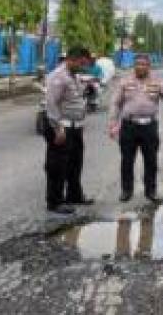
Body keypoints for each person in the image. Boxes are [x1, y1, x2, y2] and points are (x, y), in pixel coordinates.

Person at [109, 53, 163, 203]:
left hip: (149, 127)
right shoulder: (125, 81)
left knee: (151, 161)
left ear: (148, 66)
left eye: (144, 64)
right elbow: (115, 103)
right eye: (138, 64)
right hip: (128, 126)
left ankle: (150, 191)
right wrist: (113, 124)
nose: (140, 67)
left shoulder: (158, 82)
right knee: (127, 160)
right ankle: (127, 190)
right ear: (134, 66)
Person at [44, 47, 96, 214]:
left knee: (75, 163)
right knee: (57, 165)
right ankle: (55, 201)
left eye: (85, 64)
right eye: (81, 63)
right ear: (72, 59)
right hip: (61, 127)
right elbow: (51, 104)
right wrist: (58, 128)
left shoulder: (73, 76)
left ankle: (74, 195)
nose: (83, 67)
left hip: (75, 127)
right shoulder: (58, 76)